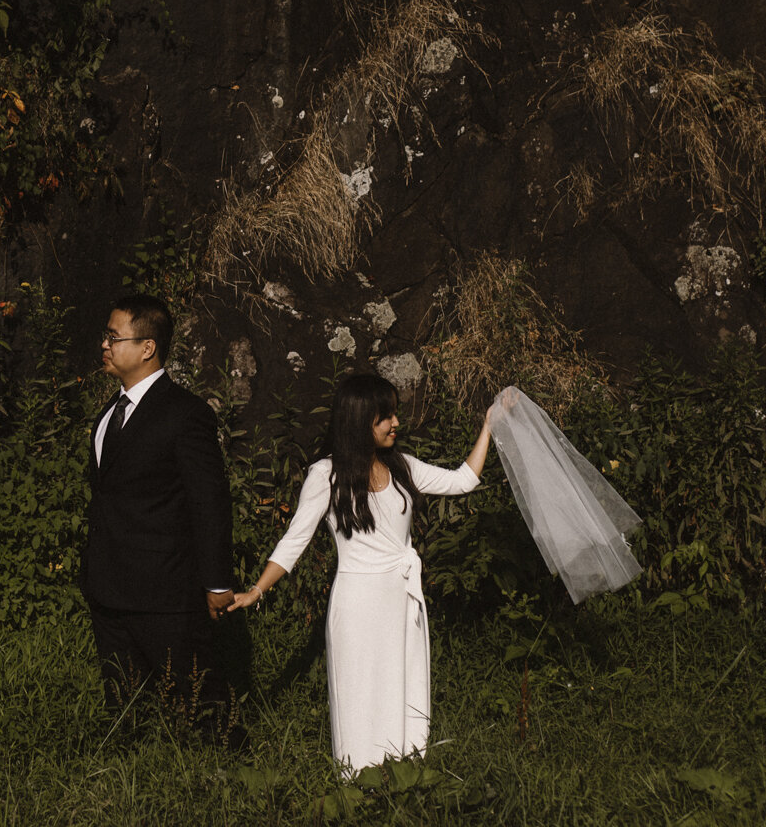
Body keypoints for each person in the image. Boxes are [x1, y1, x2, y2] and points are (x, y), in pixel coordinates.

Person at [230, 373, 492, 775]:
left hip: (402, 598)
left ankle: (405, 774)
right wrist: (256, 590)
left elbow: (463, 481)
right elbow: (294, 541)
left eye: (394, 415)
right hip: (357, 602)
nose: (395, 424)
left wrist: (490, 423)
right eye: (383, 417)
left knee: (402, 684)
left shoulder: (402, 466)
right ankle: (357, 782)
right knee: (359, 690)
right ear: (358, 421)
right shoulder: (326, 475)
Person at [81, 293, 237, 738]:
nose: (104, 345)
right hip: (108, 589)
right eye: (106, 336)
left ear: (147, 347)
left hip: (166, 591)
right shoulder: (109, 413)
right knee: (124, 711)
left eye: (114, 337)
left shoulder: (186, 414)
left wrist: (216, 582)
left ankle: (227, 783)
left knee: (202, 710)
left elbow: (209, 502)